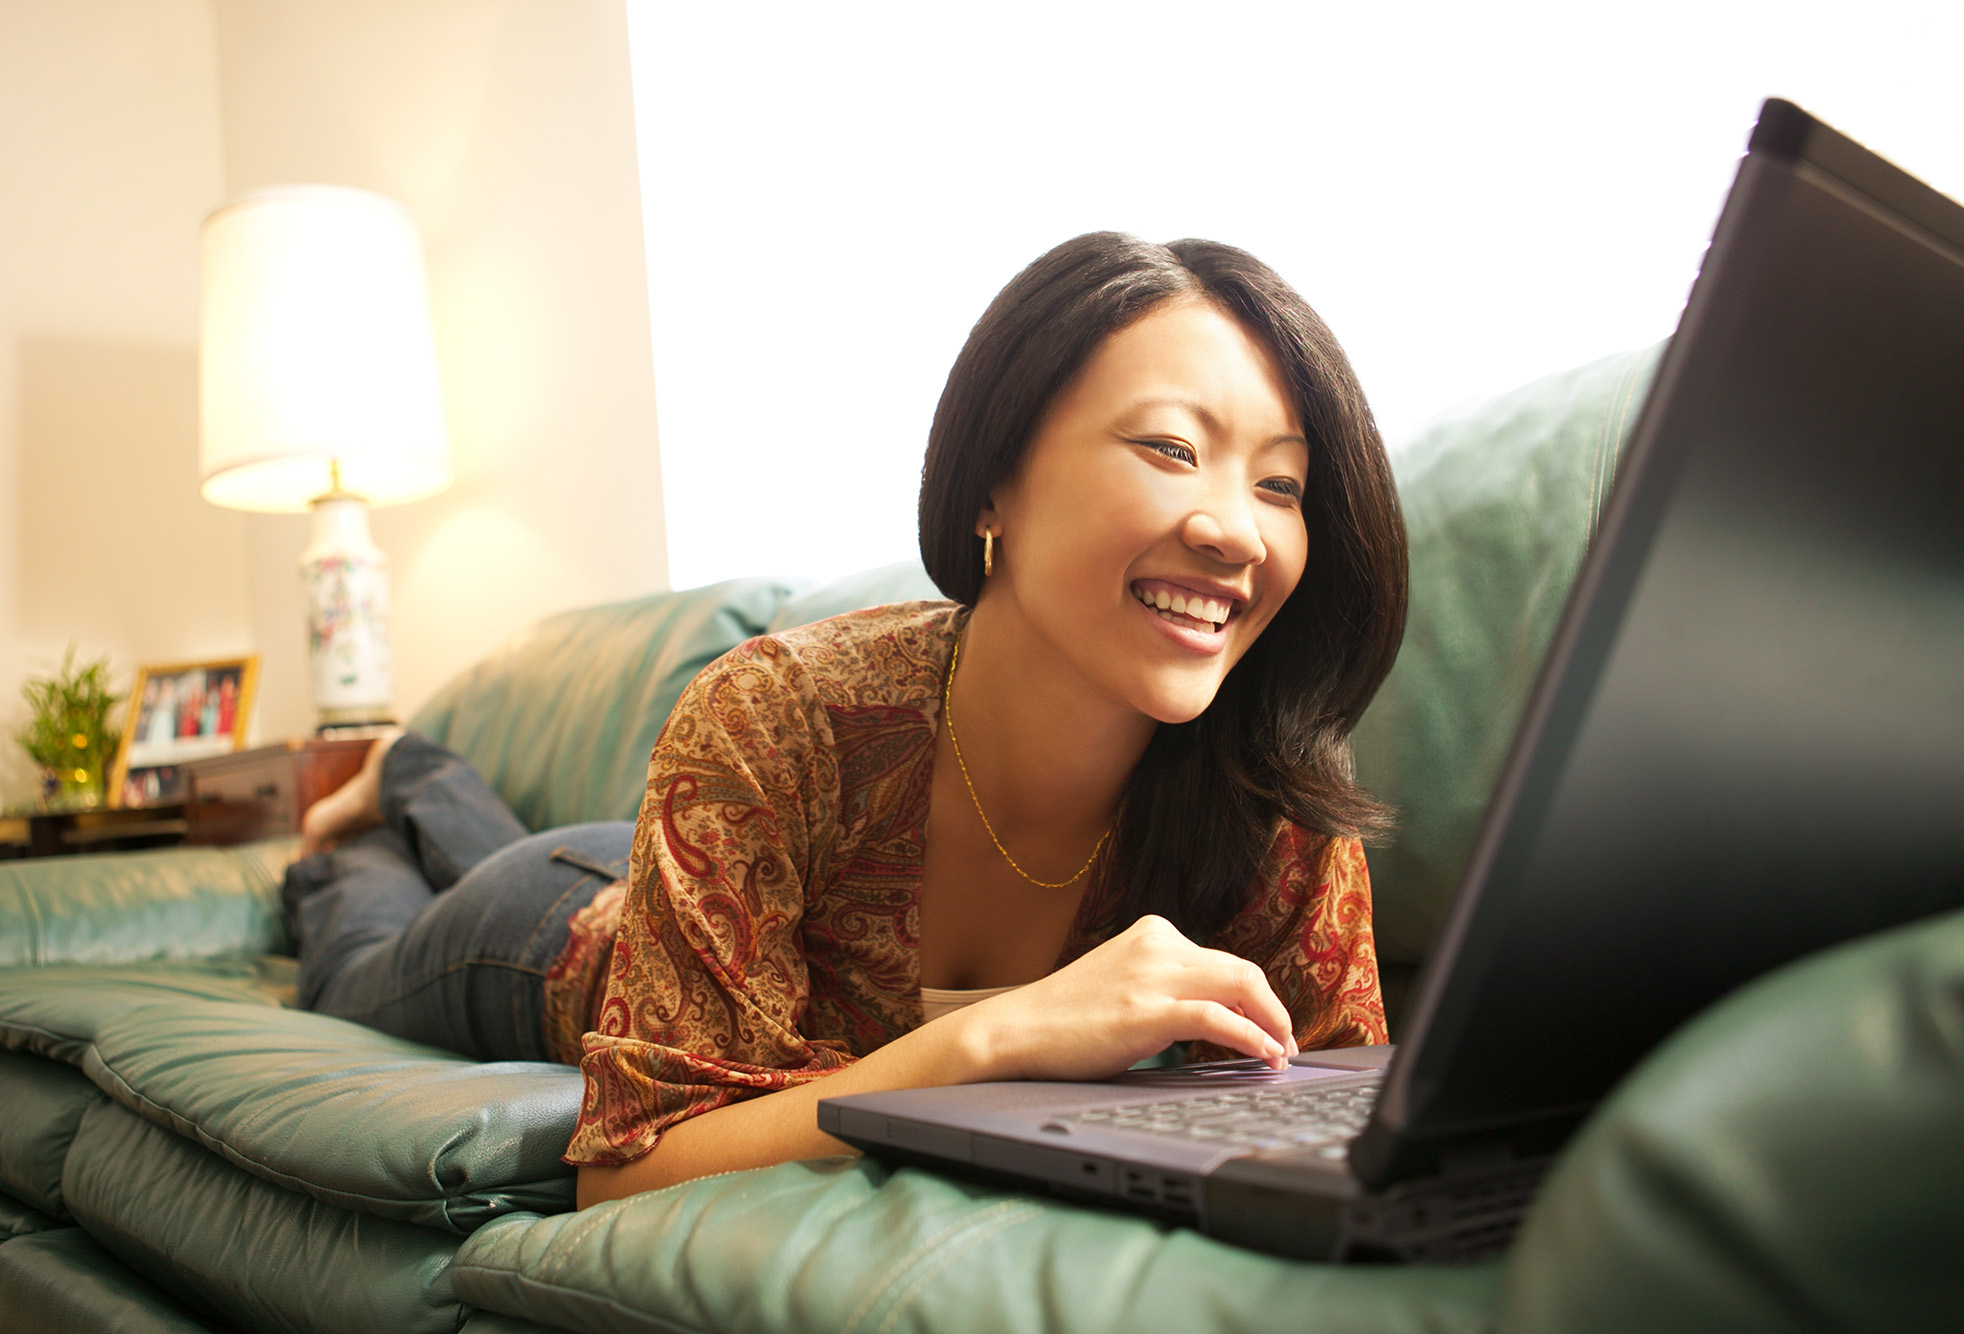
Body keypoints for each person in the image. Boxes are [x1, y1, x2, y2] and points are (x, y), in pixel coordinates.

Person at [282, 232, 1408, 1212]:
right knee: (353, 945)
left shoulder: (1279, 806)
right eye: (1170, 447)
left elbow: (1355, 1121)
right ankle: (392, 792)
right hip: (548, 932)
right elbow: (622, 1169)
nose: (1238, 533)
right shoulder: (773, 717)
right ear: (989, 488)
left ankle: (415, 776)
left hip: (663, 874)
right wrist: (993, 1039)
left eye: (1280, 484)